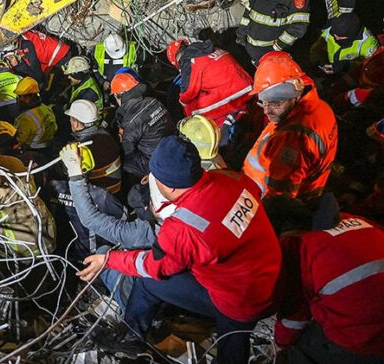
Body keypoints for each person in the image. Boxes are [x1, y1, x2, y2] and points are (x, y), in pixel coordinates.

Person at [77, 136, 282, 362]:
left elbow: (154, 267)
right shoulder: (230, 178)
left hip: (239, 300)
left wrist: (108, 260)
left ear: (170, 185)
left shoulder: (183, 229)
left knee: (149, 283)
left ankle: (130, 338)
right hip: (270, 278)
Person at [264, 198, 384, 363]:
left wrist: (280, 345)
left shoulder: (295, 247)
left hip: (365, 338)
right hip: (372, 313)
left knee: (294, 356)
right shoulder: (349, 218)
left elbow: (295, 314)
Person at [243, 52, 338, 202]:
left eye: (275, 103)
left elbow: (279, 198)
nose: (267, 111)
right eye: (264, 103)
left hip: (259, 202)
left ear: (295, 96)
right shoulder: (320, 107)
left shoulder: (293, 138)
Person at [54, 142, 154, 275]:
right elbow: (122, 218)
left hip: (64, 252)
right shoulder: (102, 196)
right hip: (93, 256)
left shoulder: (53, 188)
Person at [166, 39, 253, 142]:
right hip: (248, 84)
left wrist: (181, 102)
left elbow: (188, 93)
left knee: (191, 109)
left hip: (237, 93)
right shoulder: (209, 48)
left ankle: (225, 123)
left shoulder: (187, 60)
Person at [110, 72, 172, 183]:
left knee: (124, 161)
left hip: (155, 160)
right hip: (170, 147)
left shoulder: (130, 122)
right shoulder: (153, 101)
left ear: (119, 95)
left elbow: (127, 150)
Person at [65, 100, 121, 193]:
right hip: (116, 189)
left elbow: (73, 178)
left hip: (101, 196)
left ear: (76, 123)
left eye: (71, 118)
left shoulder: (80, 149)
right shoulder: (106, 134)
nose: (69, 121)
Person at [4, 30, 72, 89]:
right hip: (58, 50)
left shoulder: (25, 45)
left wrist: (17, 66)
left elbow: (34, 66)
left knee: (73, 75)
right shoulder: (23, 36)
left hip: (60, 55)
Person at [13, 77, 57, 151]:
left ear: (31, 95)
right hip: (48, 144)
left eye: (21, 96)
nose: (19, 99)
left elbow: (20, 140)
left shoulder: (26, 118)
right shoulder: (45, 107)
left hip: (33, 148)